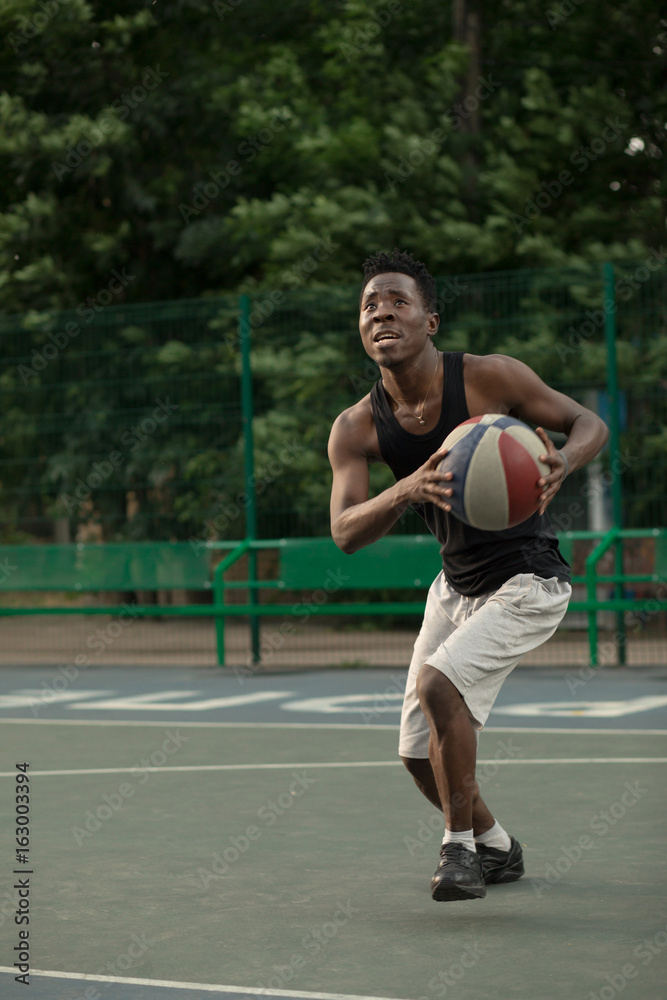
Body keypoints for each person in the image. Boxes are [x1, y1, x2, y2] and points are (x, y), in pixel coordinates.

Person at [327, 249, 609, 902]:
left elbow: (587, 422)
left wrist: (564, 459)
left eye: (397, 300)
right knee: (412, 752)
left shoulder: (488, 378)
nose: (381, 312)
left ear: (430, 320)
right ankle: (498, 847)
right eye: (369, 305)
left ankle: (457, 854)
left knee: (437, 686)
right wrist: (406, 491)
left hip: (527, 579)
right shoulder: (356, 426)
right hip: (454, 587)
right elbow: (344, 533)